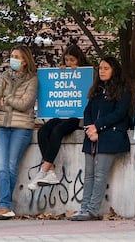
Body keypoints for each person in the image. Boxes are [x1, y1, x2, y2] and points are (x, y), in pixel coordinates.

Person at [70, 56, 131, 221]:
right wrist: (90, 129)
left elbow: (119, 113)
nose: (102, 71)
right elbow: (87, 111)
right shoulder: (96, 89)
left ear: (114, 70)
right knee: (89, 174)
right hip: (92, 136)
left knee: (100, 174)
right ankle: (83, 209)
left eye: (106, 68)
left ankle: (92, 210)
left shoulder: (123, 89)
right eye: (100, 68)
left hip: (110, 136)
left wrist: (98, 126)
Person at [28, 43, 90, 190]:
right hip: (60, 113)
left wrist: (79, 73)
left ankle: (43, 170)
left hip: (76, 117)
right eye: (67, 60)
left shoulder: (87, 72)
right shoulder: (62, 70)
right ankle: (51, 171)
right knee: (43, 131)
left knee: (57, 132)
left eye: (72, 60)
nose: (69, 63)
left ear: (79, 60)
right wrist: (62, 72)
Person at [0, 45, 38, 220]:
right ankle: (5, 206)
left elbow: (25, 104)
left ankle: (4, 206)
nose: (13, 59)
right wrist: (8, 101)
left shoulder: (32, 79)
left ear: (25, 60)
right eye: (11, 55)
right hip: (3, 125)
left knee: (11, 166)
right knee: (2, 167)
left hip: (22, 128)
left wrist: (7, 99)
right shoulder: (3, 77)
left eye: (17, 56)